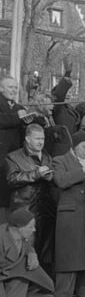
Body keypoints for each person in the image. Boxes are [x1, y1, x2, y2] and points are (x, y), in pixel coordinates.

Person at [51, 131, 85, 297]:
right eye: (84, 147)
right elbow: (61, 180)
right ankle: (62, 294)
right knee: (68, 254)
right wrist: (83, 171)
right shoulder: (60, 160)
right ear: (74, 146)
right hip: (69, 213)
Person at [6, 124, 56, 276]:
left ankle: (39, 279)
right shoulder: (13, 156)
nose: (41, 142)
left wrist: (50, 176)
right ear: (28, 139)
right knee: (24, 245)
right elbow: (11, 179)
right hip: (24, 207)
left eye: (43, 138)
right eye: (37, 138)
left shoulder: (47, 156)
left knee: (44, 245)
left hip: (45, 208)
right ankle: (19, 280)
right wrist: (36, 174)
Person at [0, 208, 54, 297]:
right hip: (3, 270)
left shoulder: (21, 234)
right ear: (18, 228)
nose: (34, 229)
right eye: (30, 227)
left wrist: (32, 253)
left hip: (10, 268)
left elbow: (26, 244)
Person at [0, 76, 24, 224]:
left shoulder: (19, 108)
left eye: (15, 87)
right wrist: (17, 117)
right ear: (1, 88)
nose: (14, 90)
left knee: (8, 199)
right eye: (10, 87)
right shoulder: (17, 112)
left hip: (12, 160)